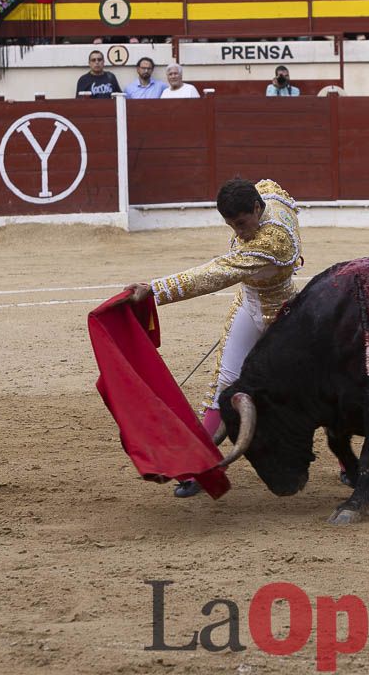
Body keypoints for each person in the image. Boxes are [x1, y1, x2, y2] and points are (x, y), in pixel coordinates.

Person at [121, 177, 302, 498]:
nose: (239, 232)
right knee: (224, 382)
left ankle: (348, 465)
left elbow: (215, 273)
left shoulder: (271, 242)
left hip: (286, 316)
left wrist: (155, 290)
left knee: (312, 387)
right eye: (231, 225)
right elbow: (270, 184)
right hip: (250, 305)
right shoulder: (268, 195)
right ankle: (203, 466)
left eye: (243, 222)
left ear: (258, 209)